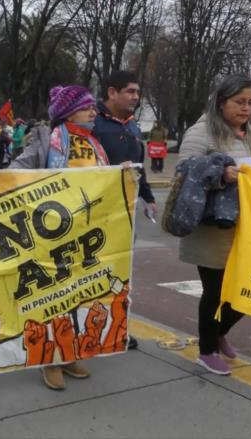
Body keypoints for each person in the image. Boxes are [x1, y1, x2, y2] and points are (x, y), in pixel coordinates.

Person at [10, 85, 115, 390]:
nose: (94, 112)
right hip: (52, 233)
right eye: (87, 108)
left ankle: (68, 353)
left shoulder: (94, 142)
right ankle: (49, 359)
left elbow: (102, 178)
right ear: (69, 111)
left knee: (77, 296)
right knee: (51, 298)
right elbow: (16, 169)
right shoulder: (47, 139)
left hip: (86, 232)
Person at [177, 74, 251, 376]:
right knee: (215, 291)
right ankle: (207, 350)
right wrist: (221, 174)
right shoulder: (202, 131)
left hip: (246, 224)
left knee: (249, 289)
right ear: (221, 102)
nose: (246, 109)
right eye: (239, 102)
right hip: (211, 226)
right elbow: (183, 171)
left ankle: (218, 331)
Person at [93, 70, 152, 350]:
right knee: (93, 274)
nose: (136, 97)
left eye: (138, 92)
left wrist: (148, 195)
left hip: (125, 213)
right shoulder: (93, 124)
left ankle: (118, 329)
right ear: (111, 92)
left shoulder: (132, 126)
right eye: (130, 91)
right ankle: (92, 330)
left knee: (121, 274)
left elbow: (138, 164)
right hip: (96, 213)